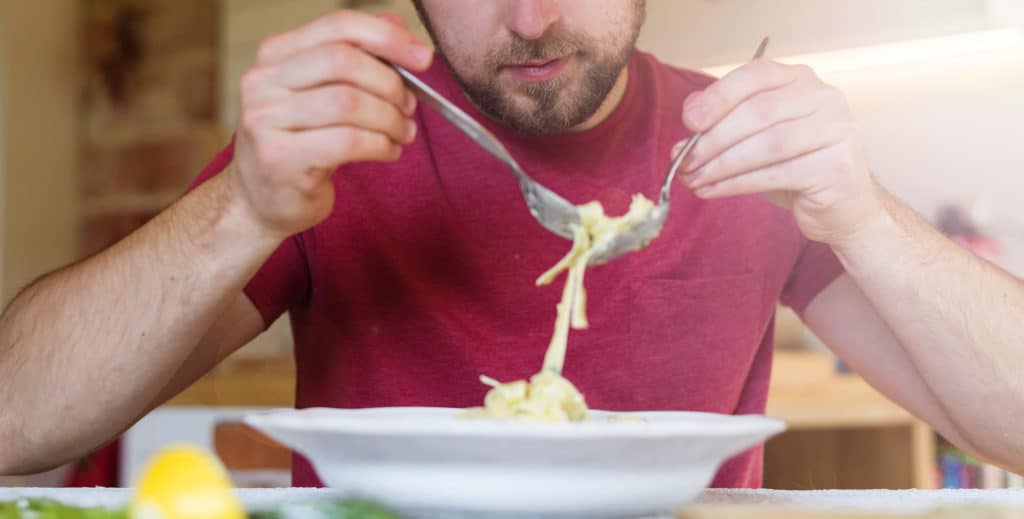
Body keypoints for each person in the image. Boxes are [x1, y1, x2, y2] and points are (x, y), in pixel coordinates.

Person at [1, 0, 1022, 487]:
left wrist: (861, 213)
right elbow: (16, 427)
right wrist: (240, 212)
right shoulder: (340, 149)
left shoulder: (737, 148)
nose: (529, 18)